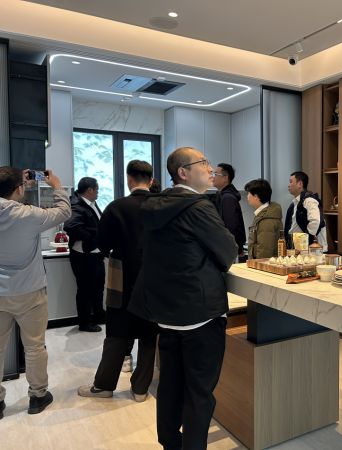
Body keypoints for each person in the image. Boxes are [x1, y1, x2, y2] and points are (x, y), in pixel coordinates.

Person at [129, 147, 238, 450]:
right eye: (204, 163)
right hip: (199, 312)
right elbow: (228, 251)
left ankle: (170, 444)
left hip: (167, 314)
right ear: (183, 172)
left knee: (170, 385)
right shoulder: (197, 207)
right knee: (199, 393)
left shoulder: (155, 205)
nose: (210, 168)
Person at [77, 161, 158, 402]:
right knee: (149, 334)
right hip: (155, 280)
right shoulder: (162, 206)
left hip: (122, 277)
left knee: (117, 332)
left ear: (129, 179)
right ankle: (140, 390)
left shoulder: (116, 207)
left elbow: (102, 244)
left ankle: (104, 386)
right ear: (151, 180)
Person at [0, 167, 70, 417]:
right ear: (19, 189)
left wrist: (18, 185)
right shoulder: (27, 215)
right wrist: (56, 185)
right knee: (34, 347)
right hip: (29, 290)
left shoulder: (24, 211)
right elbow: (63, 211)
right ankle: (38, 396)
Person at [64, 177, 106, 332]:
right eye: (97, 190)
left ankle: (99, 315)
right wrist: (93, 238)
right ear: (90, 190)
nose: (98, 193)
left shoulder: (90, 203)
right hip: (84, 256)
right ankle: (85, 323)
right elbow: (71, 227)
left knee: (98, 287)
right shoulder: (76, 205)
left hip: (96, 254)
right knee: (86, 290)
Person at [284, 171, 327, 252]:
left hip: (309, 248)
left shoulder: (309, 200)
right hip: (297, 247)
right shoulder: (295, 203)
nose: (288, 185)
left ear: (300, 184)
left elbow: (315, 221)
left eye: (291, 182)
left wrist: (306, 240)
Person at [212, 163, 246, 257]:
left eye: (215, 174)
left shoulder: (228, 198)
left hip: (228, 250)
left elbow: (231, 227)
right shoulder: (223, 196)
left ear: (225, 178)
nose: (212, 177)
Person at [244, 179, 283, 259]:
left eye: (249, 193)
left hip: (262, 264)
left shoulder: (266, 219)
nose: (247, 196)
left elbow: (264, 251)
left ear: (256, 196)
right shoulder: (264, 215)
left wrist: (256, 265)